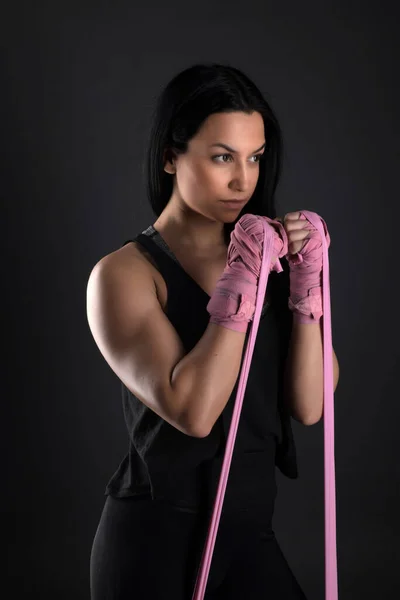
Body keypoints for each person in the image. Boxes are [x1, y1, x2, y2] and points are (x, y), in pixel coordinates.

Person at [86, 62, 312, 599]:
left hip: (249, 535)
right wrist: (240, 286)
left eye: (254, 158)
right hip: (155, 545)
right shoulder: (123, 274)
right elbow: (194, 410)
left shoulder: (267, 253)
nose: (243, 180)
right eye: (221, 158)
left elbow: (310, 404)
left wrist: (308, 294)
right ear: (170, 156)